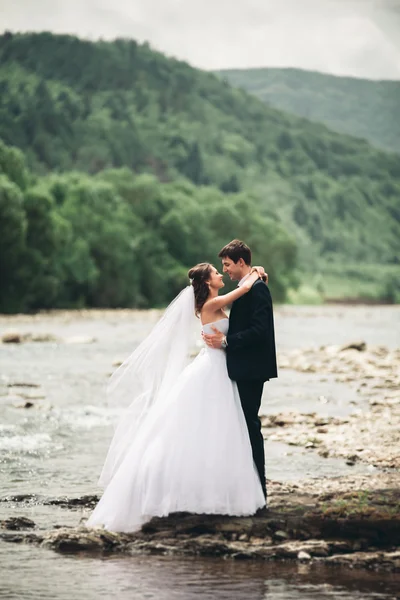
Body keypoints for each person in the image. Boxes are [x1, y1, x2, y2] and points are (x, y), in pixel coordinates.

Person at [87, 262, 266, 533]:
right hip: (212, 370)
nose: (221, 274)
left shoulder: (212, 303)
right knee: (208, 426)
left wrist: (255, 271)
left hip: (219, 369)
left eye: (223, 269)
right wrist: (255, 273)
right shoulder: (211, 304)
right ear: (207, 282)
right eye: (217, 273)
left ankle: (210, 486)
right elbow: (241, 292)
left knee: (218, 429)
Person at [203, 240, 278, 501]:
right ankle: (245, 488)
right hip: (241, 368)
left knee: (249, 427)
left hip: (251, 370)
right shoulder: (249, 287)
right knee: (241, 427)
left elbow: (260, 331)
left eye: (227, 265)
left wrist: (226, 342)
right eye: (221, 267)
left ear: (241, 262)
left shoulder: (257, 290)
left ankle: (258, 490)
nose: (225, 271)